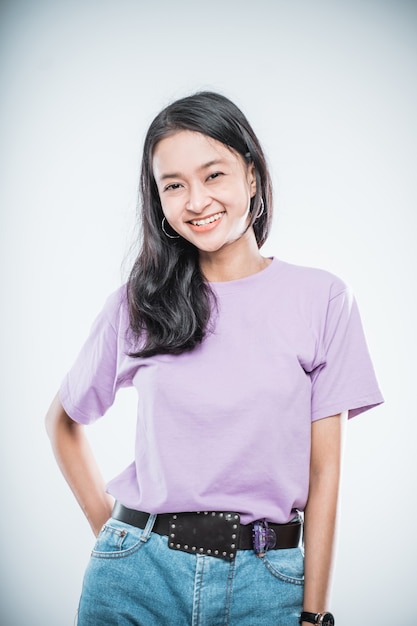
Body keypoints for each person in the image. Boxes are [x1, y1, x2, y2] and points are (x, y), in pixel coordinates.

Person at [45, 91, 383, 626]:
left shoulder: (322, 299)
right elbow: (62, 421)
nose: (195, 201)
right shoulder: (140, 302)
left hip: (266, 584)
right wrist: (115, 536)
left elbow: (325, 472)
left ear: (251, 175)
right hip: (135, 582)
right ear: (158, 201)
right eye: (173, 186)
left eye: (214, 175)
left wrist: (315, 614)